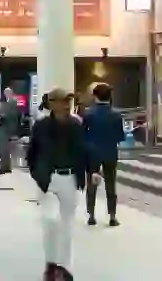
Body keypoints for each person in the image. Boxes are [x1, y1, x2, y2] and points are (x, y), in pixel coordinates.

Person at [27, 87, 87, 280]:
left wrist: (91, 171)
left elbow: (83, 150)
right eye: (63, 101)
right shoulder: (41, 126)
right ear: (52, 104)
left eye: (69, 101)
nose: (67, 105)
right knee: (50, 221)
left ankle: (63, 267)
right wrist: (37, 173)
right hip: (48, 179)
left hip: (70, 178)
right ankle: (51, 262)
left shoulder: (76, 125)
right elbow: (32, 153)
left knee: (67, 224)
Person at [83, 83, 125, 227]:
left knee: (91, 184)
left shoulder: (89, 114)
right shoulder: (116, 115)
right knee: (111, 184)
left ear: (95, 96)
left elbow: (83, 134)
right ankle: (112, 216)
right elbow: (120, 137)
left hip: (93, 153)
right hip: (110, 153)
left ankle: (91, 215)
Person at [0, 88, 22, 176]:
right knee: (4, 149)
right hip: (4, 128)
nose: (6, 94)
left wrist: (1, 116)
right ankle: (6, 167)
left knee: (4, 149)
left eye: (7, 93)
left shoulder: (12, 103)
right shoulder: (7, 103)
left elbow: (12, 115)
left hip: (7, 129)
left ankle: (4, 167)